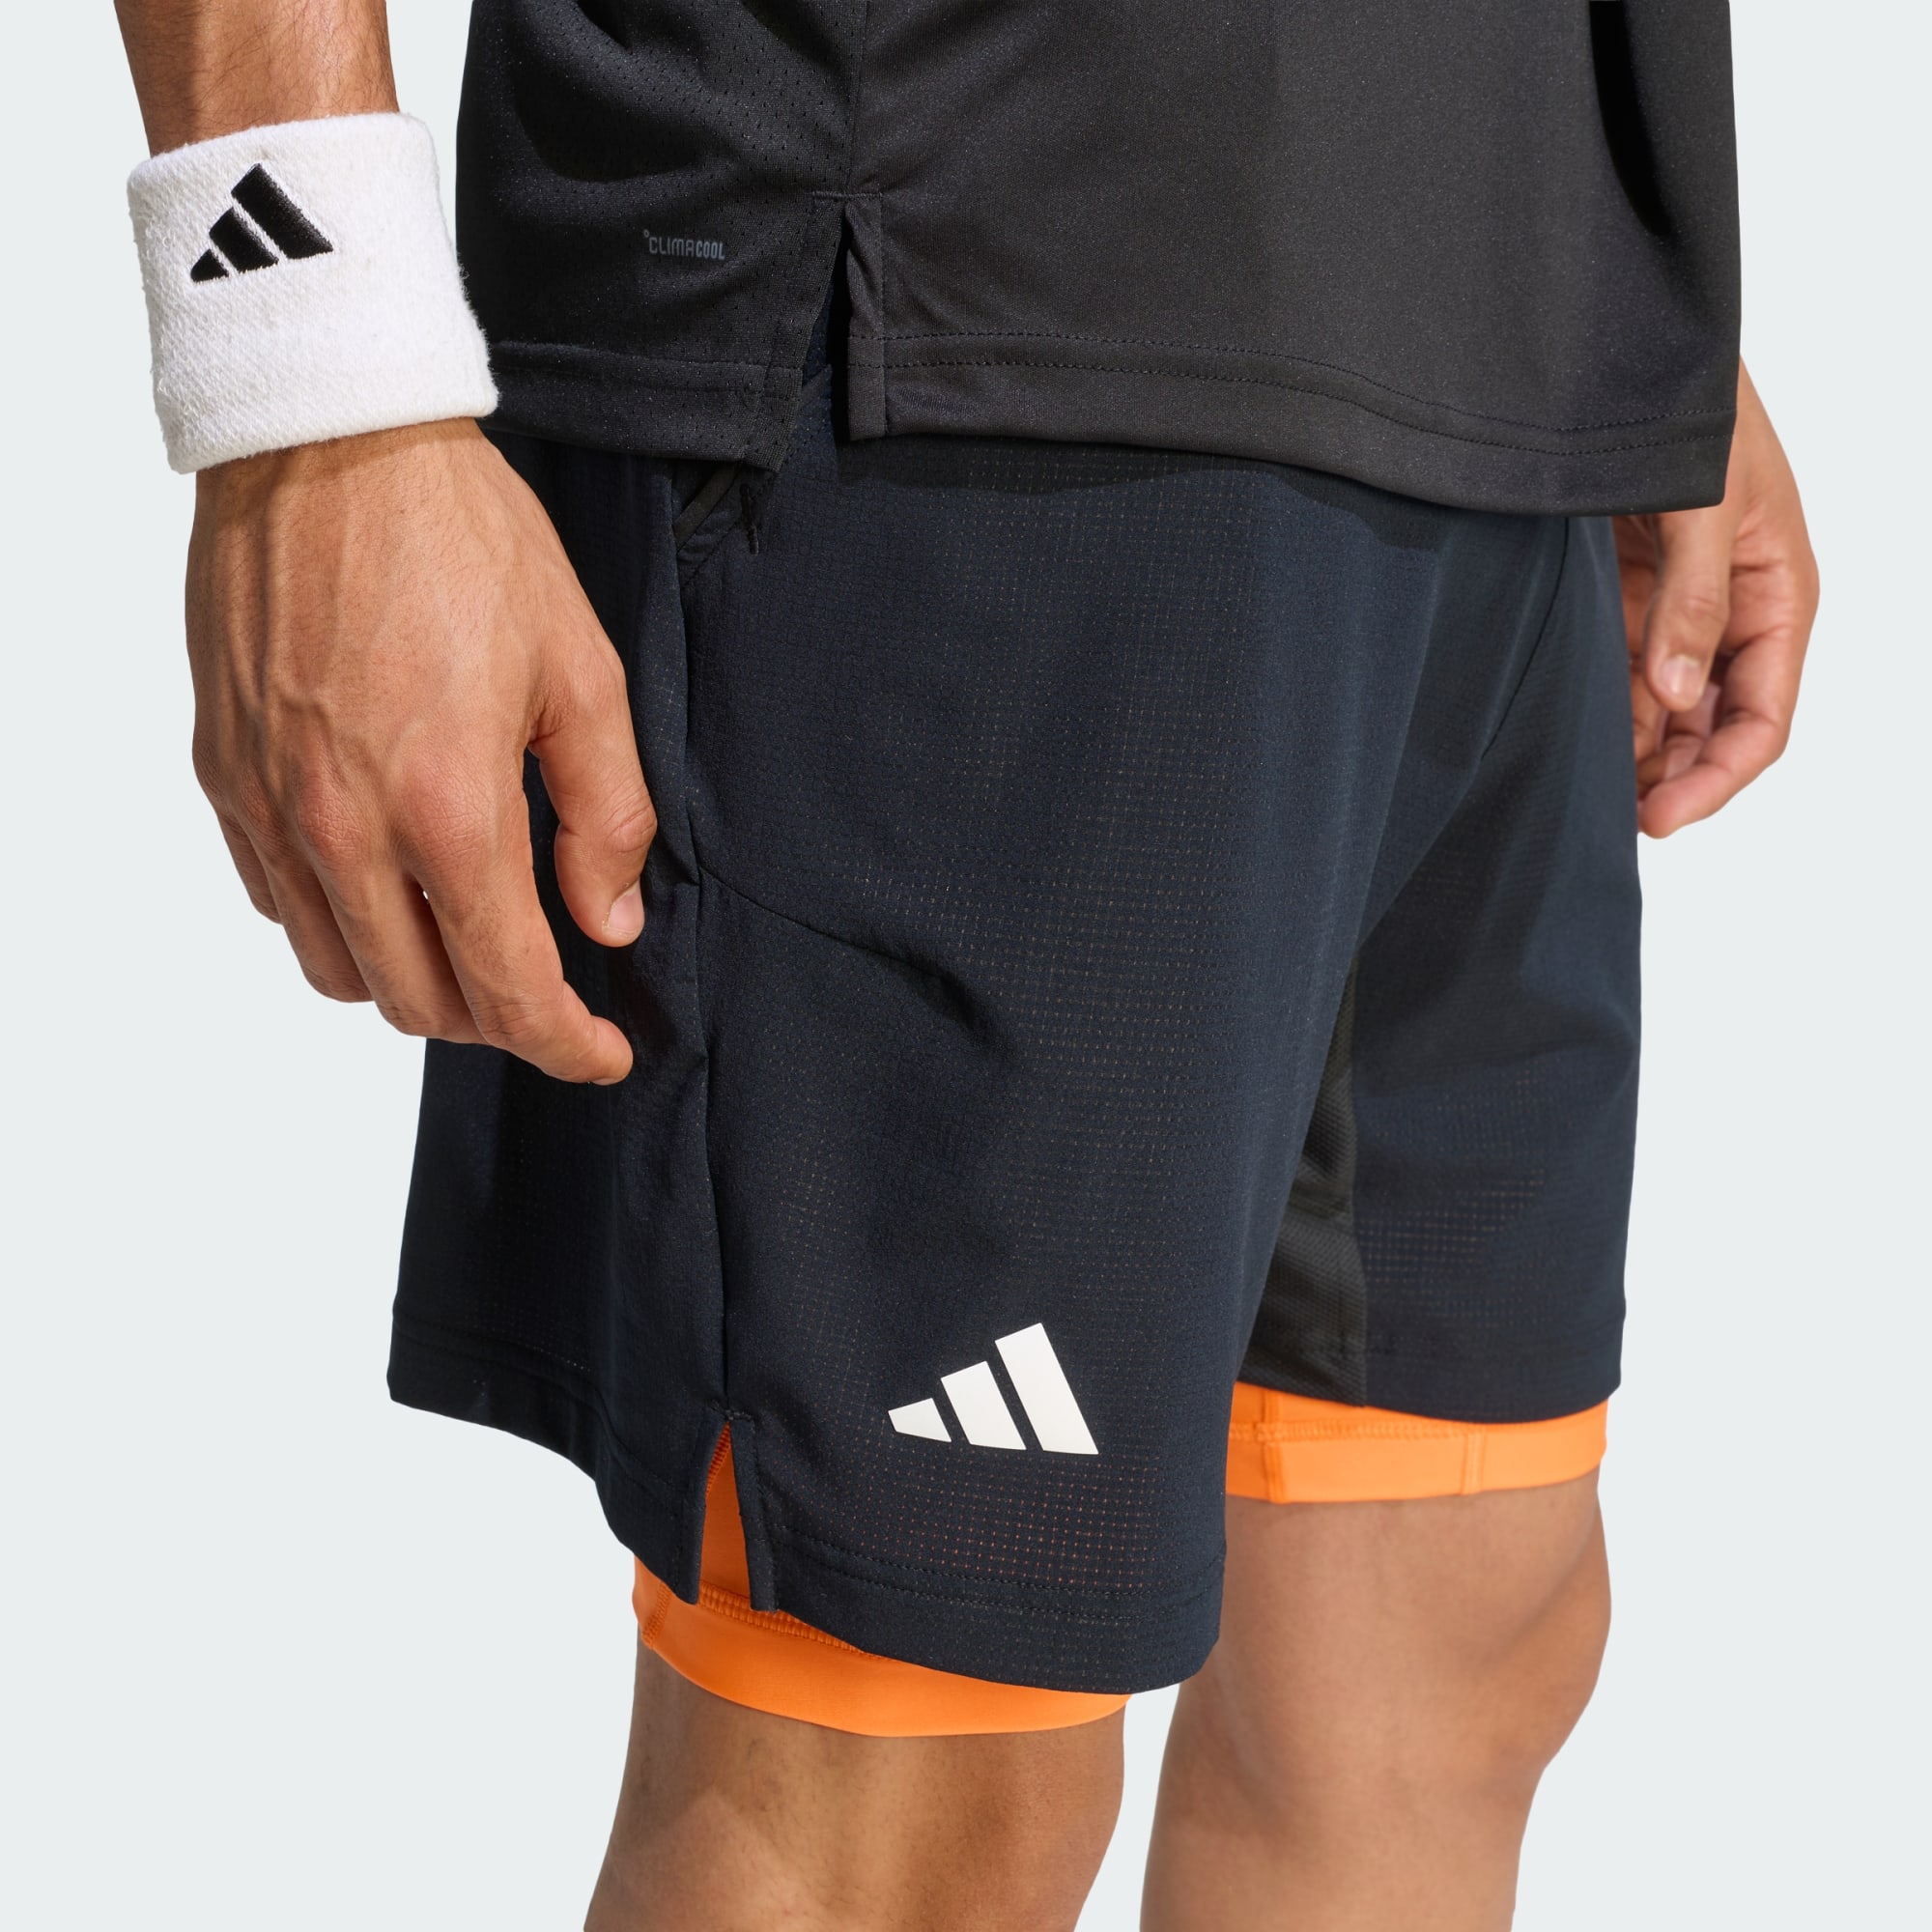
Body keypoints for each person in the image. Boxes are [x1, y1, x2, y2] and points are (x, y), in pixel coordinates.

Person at [113, 3, 1818, 1926]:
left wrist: (1625, 281)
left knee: (1442, 1637)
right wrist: (303, 373)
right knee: (902, 1778)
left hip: (1495, 324)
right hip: (938, 311)